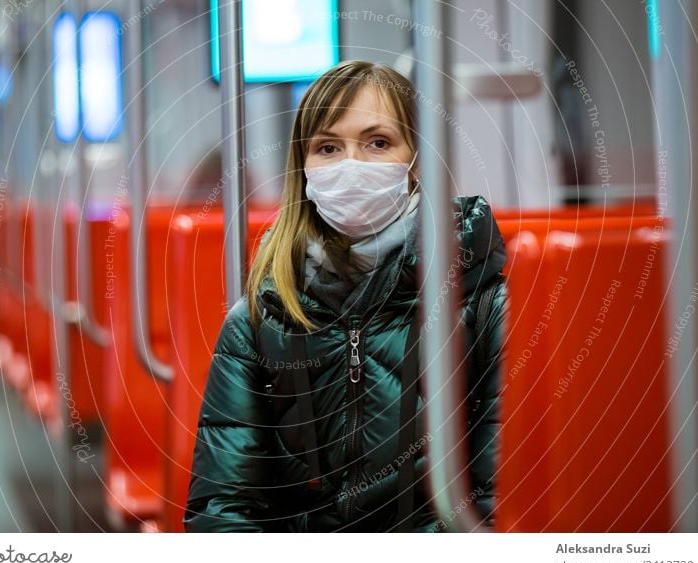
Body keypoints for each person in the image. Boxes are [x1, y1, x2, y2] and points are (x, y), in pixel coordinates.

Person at [184, 60, 508, 532]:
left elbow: (498, 500)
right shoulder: (258, 320)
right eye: (328, 147)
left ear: (414, 159)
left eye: (378, 143)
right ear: (305, 168)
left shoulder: (484, 306)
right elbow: (223, 508)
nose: (351, 165)